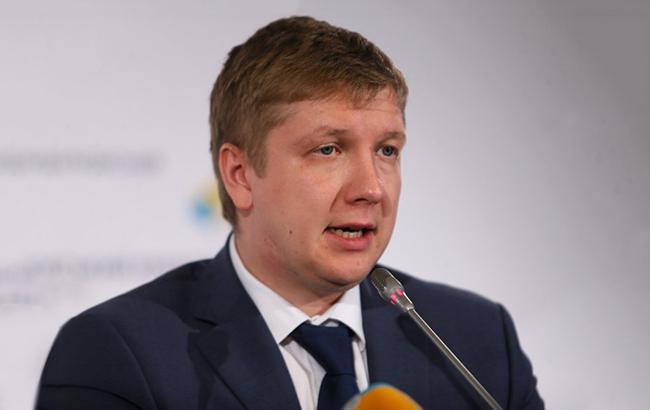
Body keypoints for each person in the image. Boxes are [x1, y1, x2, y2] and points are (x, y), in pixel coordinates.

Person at [36, 16, 544, 409]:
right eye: (328, 150)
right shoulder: (116, 354)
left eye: (387, 150)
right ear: (240, 175)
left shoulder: (473, 338)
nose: (371, 188)